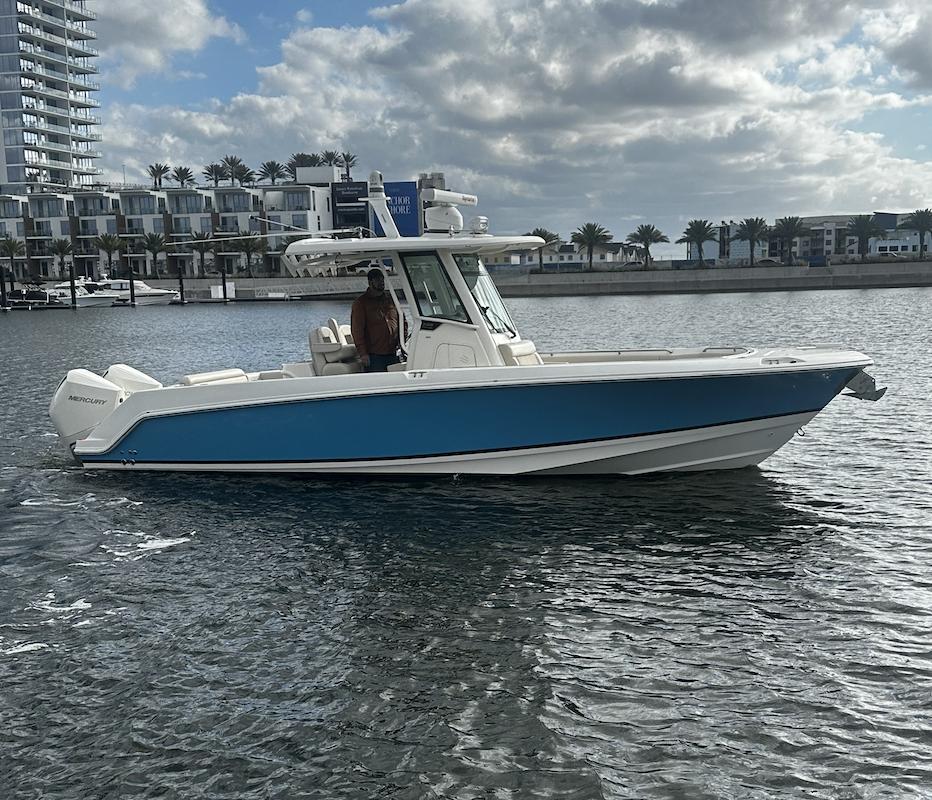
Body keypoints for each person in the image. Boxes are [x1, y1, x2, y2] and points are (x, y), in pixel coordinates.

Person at [350, 267, 400, 372]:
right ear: (370, 282)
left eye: (382, 279)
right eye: (377, 280)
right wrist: (363, 354)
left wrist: (401, 340)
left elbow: (402, 319)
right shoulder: (361, 303)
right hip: (374, 356)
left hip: (393, 352)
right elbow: (357, 330)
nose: (381, 282)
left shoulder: (391, 300)